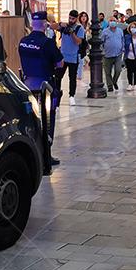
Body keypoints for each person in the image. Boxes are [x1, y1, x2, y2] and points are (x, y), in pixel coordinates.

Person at [18, 11, 63, 166]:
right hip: (46, 87)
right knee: (48, 120)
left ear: (32, 24)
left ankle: (33, 152)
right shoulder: (48, 42)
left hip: (27, 85)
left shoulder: (23, 41)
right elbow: (59, 63)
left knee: (32, 119)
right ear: (45, 25)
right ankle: (46, 154)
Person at [57, 10, 86, 105]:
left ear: (76, 18)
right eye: (69, 18)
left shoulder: (79, 28)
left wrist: (72, 33)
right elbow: (53, 26)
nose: (70, 20)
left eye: (73, 18)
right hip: (63, 56)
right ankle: (57, 95)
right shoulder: (65, 26)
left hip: (73, 57)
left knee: (72, 77)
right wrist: (60, 24)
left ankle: (71, 96)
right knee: (58, 77)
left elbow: (78, 42)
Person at [76, 12, 90, 82]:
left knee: (82, 60)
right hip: (80, 46)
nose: (84, 18)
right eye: (82, 16)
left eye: (85, 16)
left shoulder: (89, 25)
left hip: (86, 45)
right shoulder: (78, 26)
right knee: (80, 61)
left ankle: (79, 76)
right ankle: (78, 76)